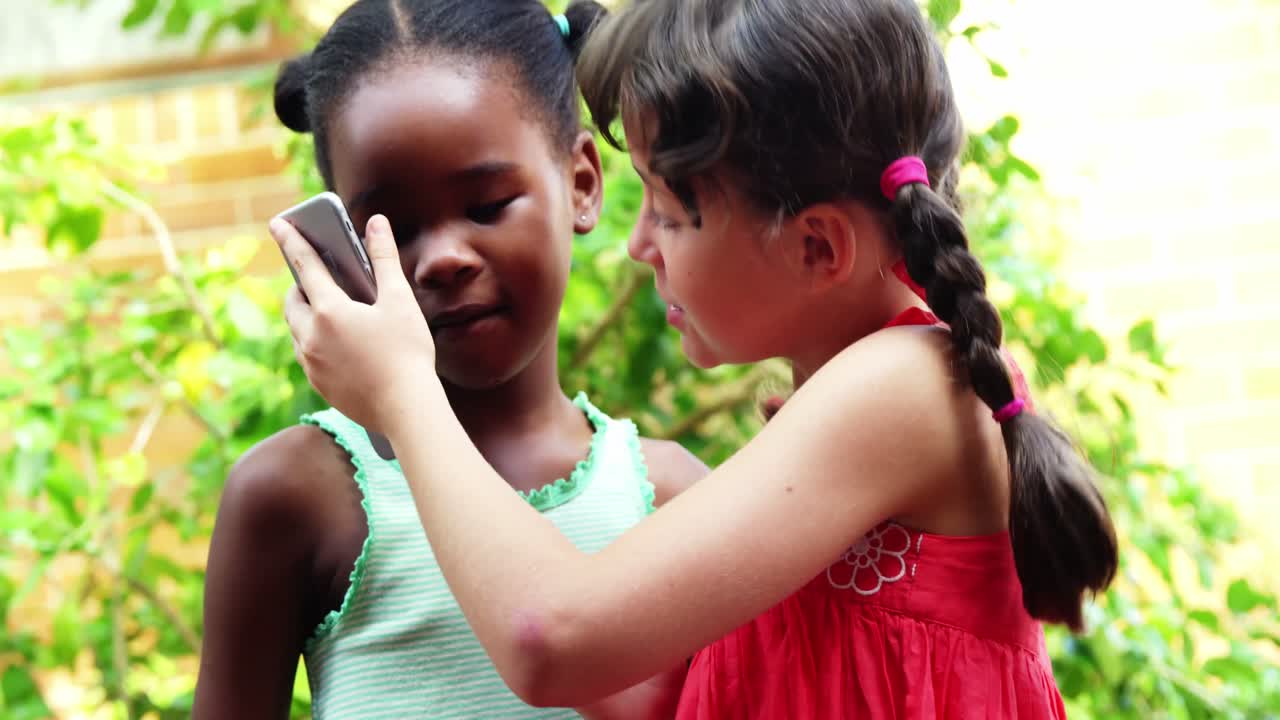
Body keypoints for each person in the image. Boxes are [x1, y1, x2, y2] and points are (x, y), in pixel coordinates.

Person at [271, 0, 1119, 717]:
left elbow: (548, 640)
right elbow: (669, 689)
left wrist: (401, 394)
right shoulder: (856, 402)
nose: (641, 246)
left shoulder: (906, 389)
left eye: (671, 213)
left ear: (817, 247)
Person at [194, 1, 705, 718]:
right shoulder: (298, 494)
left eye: (489, 204)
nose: (442, 258)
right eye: (391, 229)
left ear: (583, 182)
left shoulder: (674, 499)